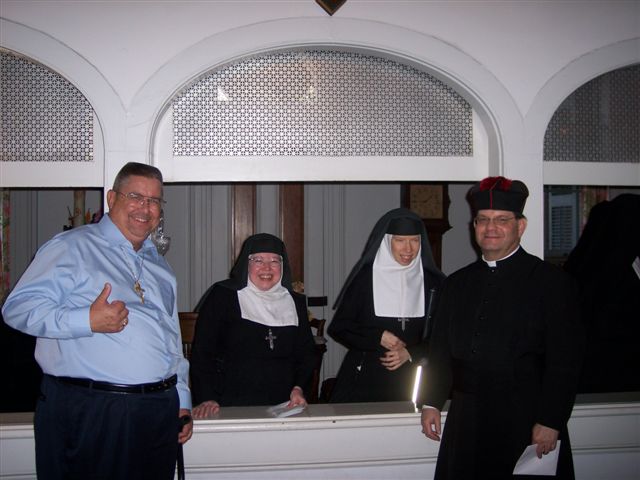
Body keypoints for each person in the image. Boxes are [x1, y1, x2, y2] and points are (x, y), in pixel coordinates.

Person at [2, 162, 192, 480]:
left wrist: (181, 399)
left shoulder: (159, 264)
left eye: (154, 200)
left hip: (157, 410)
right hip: (93, 410)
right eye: (135, 196)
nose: (145, 208)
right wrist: (86, 320)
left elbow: (171, 338)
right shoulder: (72, 247)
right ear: (111, 198)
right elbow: (17, 309)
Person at [419, 176, 585, 479]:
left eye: (501, 220)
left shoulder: (553, 283)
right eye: (482, 220)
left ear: (520, 226)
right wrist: (432, 400)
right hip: (467, 418)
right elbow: (440, 350)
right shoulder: (455, 284)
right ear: (474, 227)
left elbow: (566, 361)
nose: (490, 228)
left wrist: (551, 419)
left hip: (526, 416)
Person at [190, 233, 316, 417]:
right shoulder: (223, 296)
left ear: (283, 266)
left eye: (274, 261)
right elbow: (203, 352)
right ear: (246, 264)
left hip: (284, 402)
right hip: (229, 400)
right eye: (258, 260)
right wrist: (207, 397)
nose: (267, 267)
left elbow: (306, 354)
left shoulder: (295, 301)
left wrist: (298, 388)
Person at [328, 208, 445, 403]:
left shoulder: (434, 282)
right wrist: (377, 336)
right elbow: (340, 328)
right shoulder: (365, 279)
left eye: (414, 240)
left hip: (415, 379)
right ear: (386, 241)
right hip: (365, 379)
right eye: (400, 240)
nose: (408, 249)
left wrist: (410, 353)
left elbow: (444, 335)